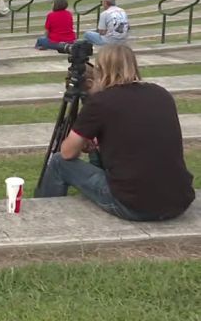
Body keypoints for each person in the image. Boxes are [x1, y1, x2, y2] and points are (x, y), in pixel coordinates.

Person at [38, 45, 194, 221]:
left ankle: (44, 215)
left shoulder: (101, 102)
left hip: (135, 206)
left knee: (59, 162)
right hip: (178, 201)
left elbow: (67, 153)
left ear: (101, 68)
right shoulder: (161, 93)